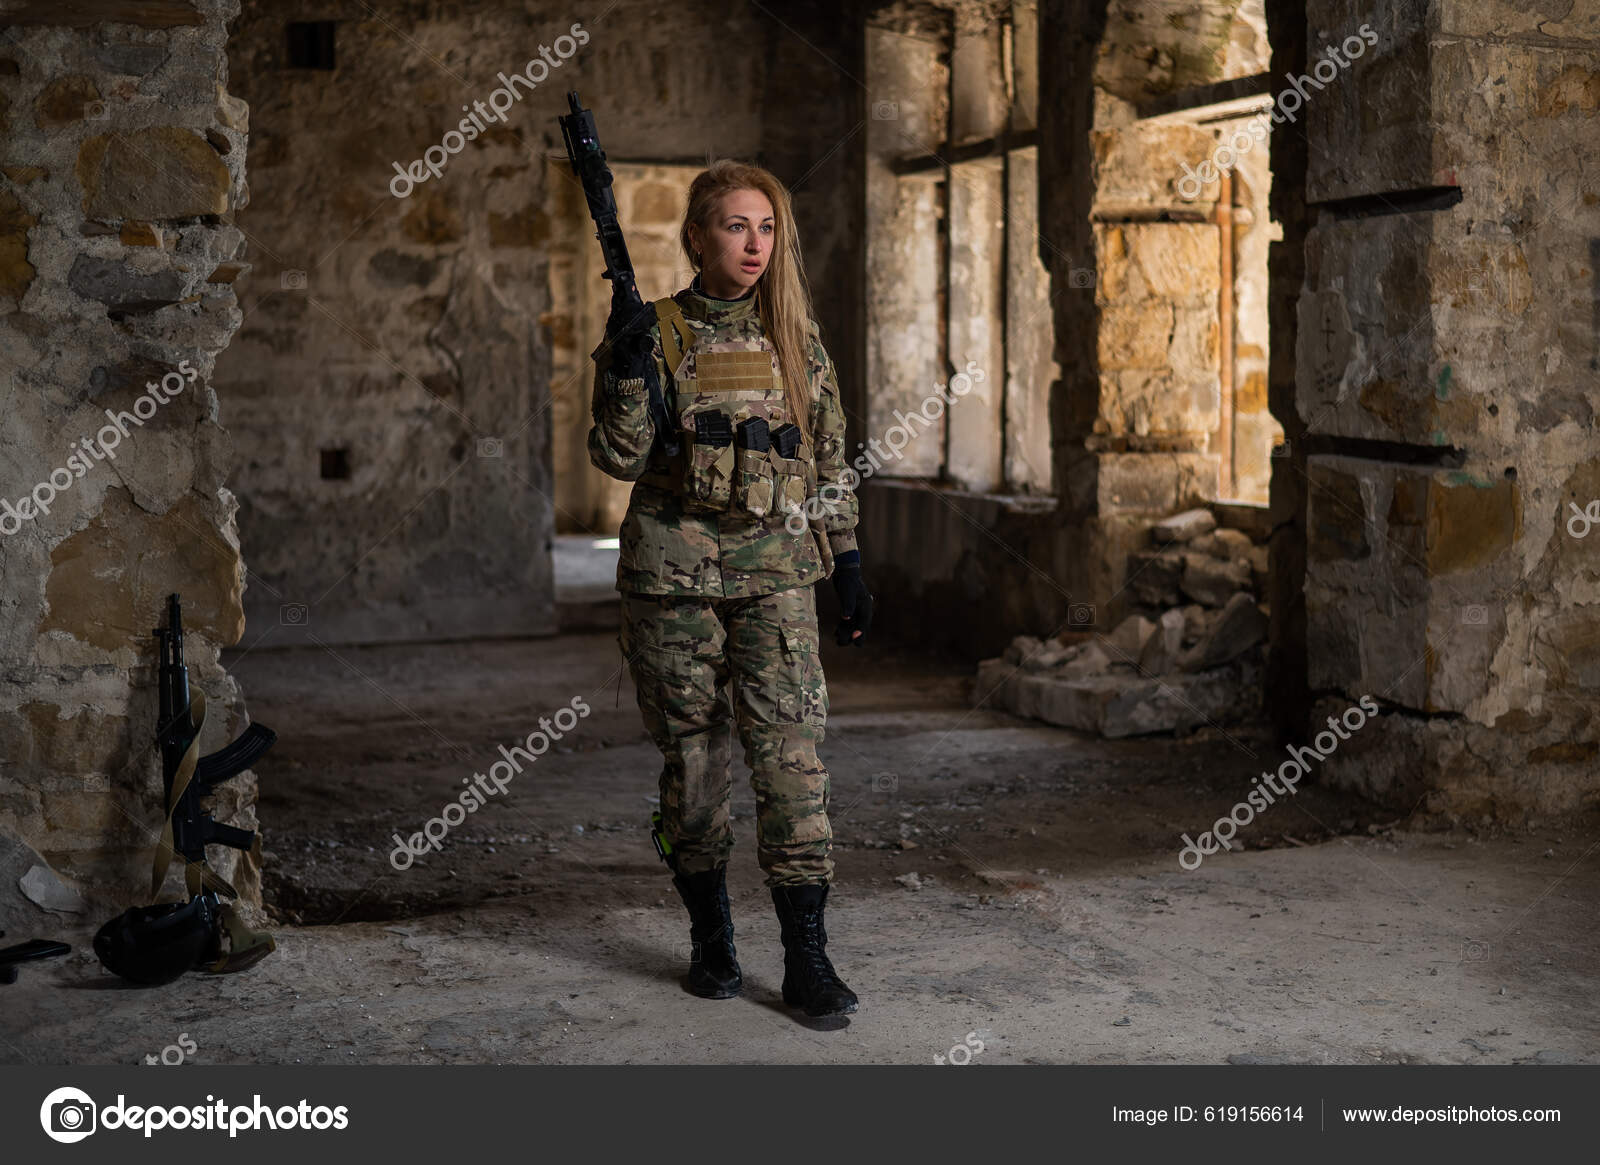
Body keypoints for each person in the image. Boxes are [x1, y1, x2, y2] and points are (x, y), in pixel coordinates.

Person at [586, 159, 873, 1017]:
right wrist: (629, 373)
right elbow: (619, 459)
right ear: (698, 236)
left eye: (768, 227)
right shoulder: (658, 330)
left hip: (778, 576)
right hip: (674, 581)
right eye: (736, 226)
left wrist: (849, 558)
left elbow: (826, 456)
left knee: (792, 765)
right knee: (698, 765)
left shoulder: (794, 333)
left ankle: (806, 958)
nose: (755, 244)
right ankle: (711, 940)